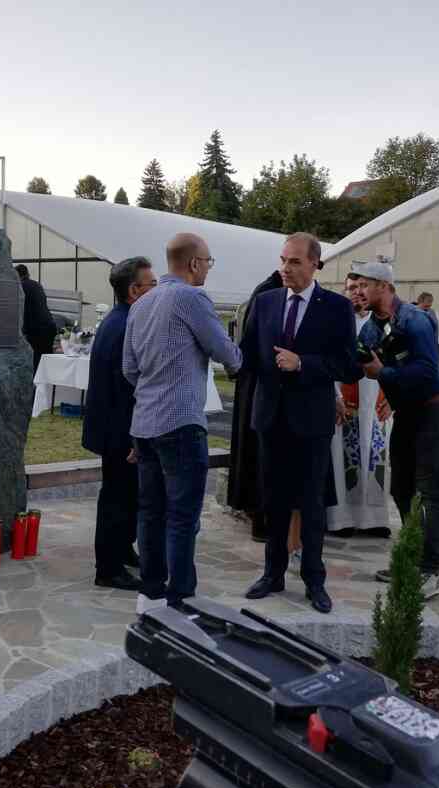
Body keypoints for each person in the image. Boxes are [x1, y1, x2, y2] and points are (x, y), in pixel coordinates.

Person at [240, 232, 359, 614]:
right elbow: (247, 356)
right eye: (282, 260)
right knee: (273, 501)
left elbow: (348, 365)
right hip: (270, 417)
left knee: (311, 505)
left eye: (293, 261)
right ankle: (272, 573)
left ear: (314, 264)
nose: (285, 268)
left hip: (311, 421)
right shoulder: (265, 302)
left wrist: (303, 363)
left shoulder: (337, 307)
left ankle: (313, 580)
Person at [123, 233, 242, 611]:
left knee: (151, 513)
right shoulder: (192, 298)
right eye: (207, 261)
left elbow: (129, 369)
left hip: (144, 424)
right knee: (182, 517)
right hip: (180, 423)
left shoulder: (141, 304)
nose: (208, 268)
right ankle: (180, 599)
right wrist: (240, 359)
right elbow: (226, 352)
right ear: (193, 263)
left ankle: (150, 594)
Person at [356, 261, 439, 599]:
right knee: (401, 488)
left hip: (435, 411)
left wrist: (382, 374)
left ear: (384, 286)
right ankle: (412, 558)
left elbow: (428, 372)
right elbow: (358, 362)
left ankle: (432, 570)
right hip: (407, 415)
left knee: (430, 491)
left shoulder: (415, 320)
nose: (359, 291)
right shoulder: (370, 327)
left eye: (365, 285)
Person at [81, 257, 156, 591]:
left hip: (116, 425)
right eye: (152, 285)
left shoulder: (122, 319)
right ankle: (108, 568)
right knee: (117, 497)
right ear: (133, 290)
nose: (157, 290)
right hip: (120, 429)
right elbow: (127, 386)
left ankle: (122, 549)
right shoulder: (126, 325)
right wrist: (136, 437)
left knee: (126, 495)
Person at [328, 275, 391, 538]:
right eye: (351, 288)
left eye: (361, 287)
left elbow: (397, 361)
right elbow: (328, 360)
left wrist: (393, 397)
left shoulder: (384, 324)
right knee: (345, 456)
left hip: (377, 400)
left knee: (375, 456)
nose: (356, 292)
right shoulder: (336, 321)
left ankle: (373, 519)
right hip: (344, 398)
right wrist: (334, 396)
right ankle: (341, 519)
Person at [227, 270, 283, 541]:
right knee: (256, 453)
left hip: (263, 384)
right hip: (260, 385)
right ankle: (259, 514)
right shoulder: (268, 293)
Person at [16, 264, 58, 372]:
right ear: (27, 273)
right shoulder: (36, 284)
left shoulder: (21, 287)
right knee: (46, 362)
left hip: (36, 331)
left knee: (36, 364)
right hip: (49, 327)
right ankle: (46, 382)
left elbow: (22, 310)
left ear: (17, 275)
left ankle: (36, 382)